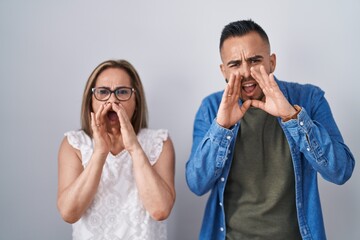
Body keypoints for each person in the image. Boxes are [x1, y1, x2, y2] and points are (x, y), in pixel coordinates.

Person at [185, 19, 355, 240]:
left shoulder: (310, 99)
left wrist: (292, 117)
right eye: (235, 64)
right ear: (223, 70)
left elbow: (340, 171)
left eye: (255, 60)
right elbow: (196, 184)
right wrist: (221, 128)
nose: (246, 72)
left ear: (272, 62)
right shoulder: (210, 108)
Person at [57, 59, 175, 240]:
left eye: (122, 92)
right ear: (91, 101)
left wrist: (135, 148)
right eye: (103, 92)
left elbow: (160, 210)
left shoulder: (159, 142)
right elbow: (69, 213)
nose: (112, 99)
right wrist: (100, 153)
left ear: (136, 100)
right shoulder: (73, 144)